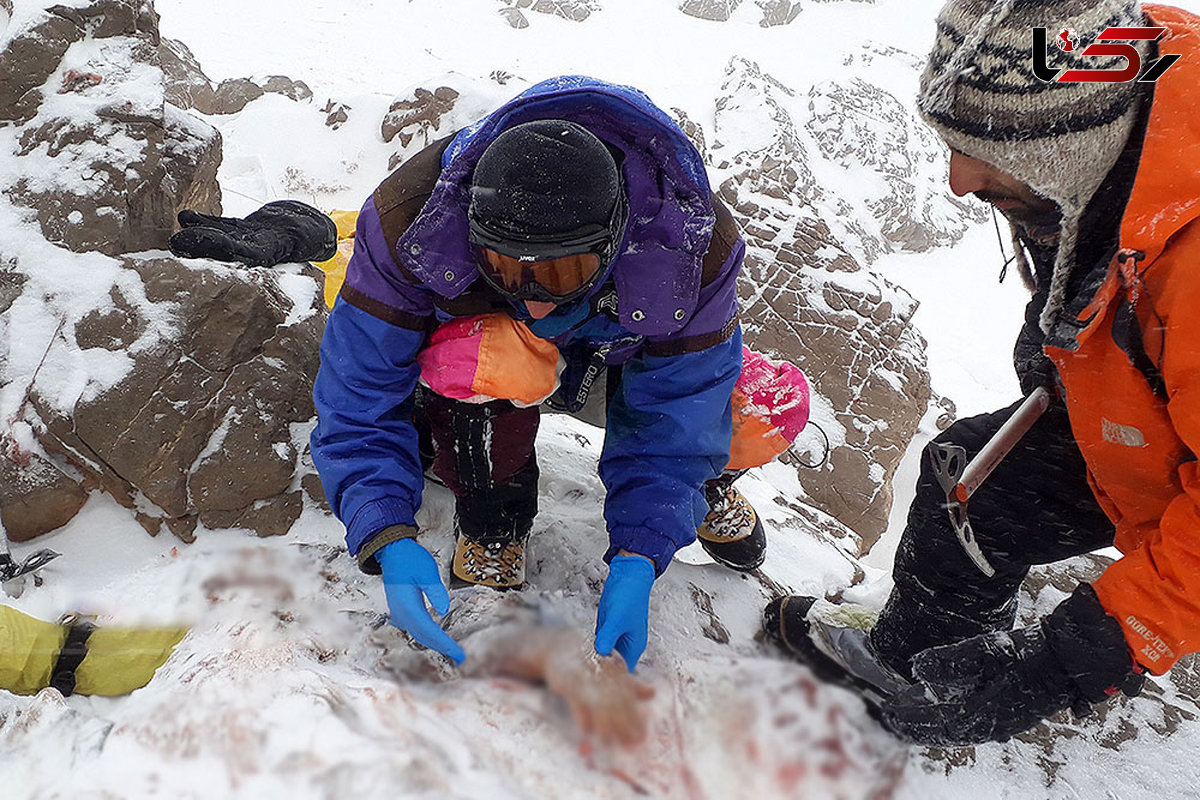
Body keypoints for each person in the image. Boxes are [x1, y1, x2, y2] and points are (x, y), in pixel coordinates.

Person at [764, 0, 1200, 746]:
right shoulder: (1120, 68)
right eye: (951, 142)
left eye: (992, 151)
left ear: (1077, 145)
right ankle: (917, 663)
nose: (958, 180)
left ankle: (954, 686)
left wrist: (1067, 662)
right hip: (1152, 430)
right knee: (965, 481)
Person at [310, 77, 810, 672]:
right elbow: (359, 393)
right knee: (486, 360)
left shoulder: (691, 242)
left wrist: (640, 551)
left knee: (760, 406)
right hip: (507, 359)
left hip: (627, 360)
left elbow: (683, 404)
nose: (538, 301)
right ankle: (493, 512)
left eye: (565, 270)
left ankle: (700, 492)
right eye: (504, 267)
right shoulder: (412, 221)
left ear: (614, 237)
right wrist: (385, 528)